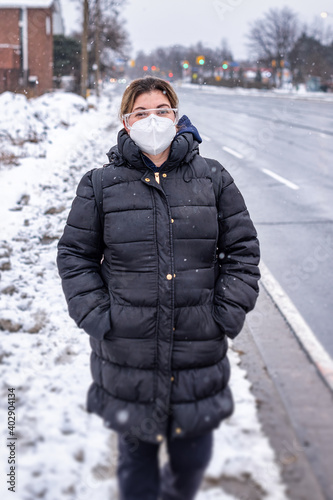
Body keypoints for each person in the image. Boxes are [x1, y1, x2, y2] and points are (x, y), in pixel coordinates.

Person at [57, 76, 260, 500]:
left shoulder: (212, 178)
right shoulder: (100, 184)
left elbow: (241, 251)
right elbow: (75, 256)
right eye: (141, 113)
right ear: (126, 123)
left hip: (197, 355)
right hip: (128, 358)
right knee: (136, 471)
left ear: (177, 115)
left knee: (190, 465)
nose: (153, 120)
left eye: (162, 111)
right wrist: (98, 316)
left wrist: (225, 312)